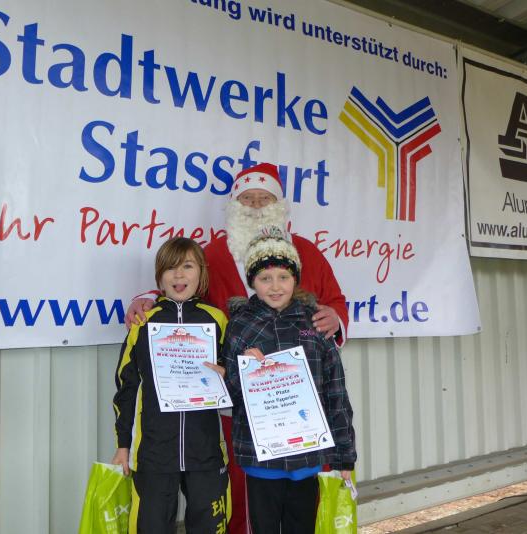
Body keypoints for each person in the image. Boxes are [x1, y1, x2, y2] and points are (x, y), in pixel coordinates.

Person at [125, 161, 349, 534]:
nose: (257, 205)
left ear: (279, 205)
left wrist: (335, 317)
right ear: (234, 205)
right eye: (248, 198)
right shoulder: (213, 253)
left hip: (298, 399)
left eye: (265, 198)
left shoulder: (307, 251)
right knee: (247, 489)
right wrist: (147, 298)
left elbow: (336, 301)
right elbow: (184, 288)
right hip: (239, 397)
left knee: (301, 496)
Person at [223, 227, 356, 533]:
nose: (275, 286)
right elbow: (229, 394)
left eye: (283, 276)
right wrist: (247, 371)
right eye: (264, 278)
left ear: (295, 278)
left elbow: (335, 392)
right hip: (261, 462)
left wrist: (344, 457)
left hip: (307, 459)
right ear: (252, 282)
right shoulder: (240, 326)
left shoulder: (315, 323)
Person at [112, 237, 230, 533]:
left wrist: (230, 374)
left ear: (201, 273)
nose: (178, 274)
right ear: (159, 277)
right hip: (153, 452)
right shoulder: (143, 322)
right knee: (151, 526)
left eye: (187, 266)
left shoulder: (216, 320)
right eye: (170, 268)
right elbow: (126, 387)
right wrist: (123, 445)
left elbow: (235, 381)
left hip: (206, 450)